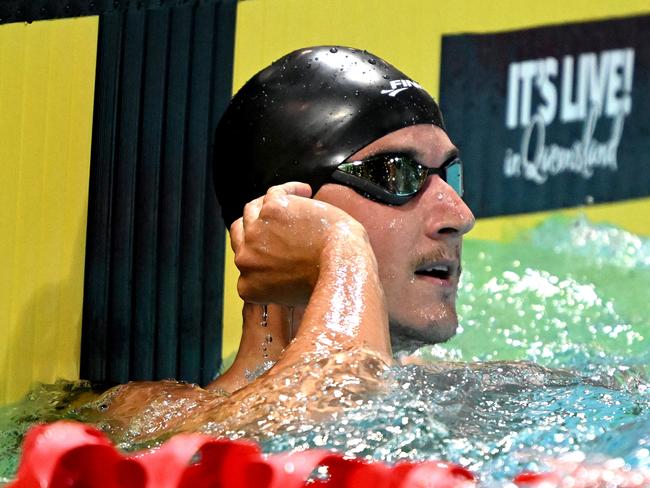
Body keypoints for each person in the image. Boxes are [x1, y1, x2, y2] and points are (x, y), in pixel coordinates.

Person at [82, 45, 474, 441]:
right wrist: (341, 248)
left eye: (449, 174)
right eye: (396, 174)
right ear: (284, 211)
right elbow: (341, 422)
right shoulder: (147, 418)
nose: (460, 216)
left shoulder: (485, 393)